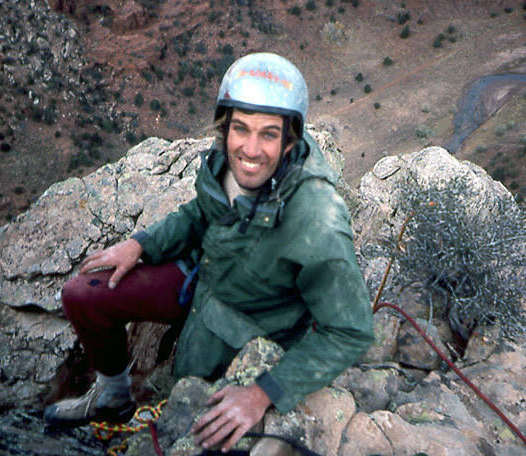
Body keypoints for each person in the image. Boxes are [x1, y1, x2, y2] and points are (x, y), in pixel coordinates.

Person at [44, 52, 374, 452]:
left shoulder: (317, 219)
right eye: (241, 129)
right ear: (225, 128)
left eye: (268, 134)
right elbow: (202, 210)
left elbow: (351, 331)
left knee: (190, 422)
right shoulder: (223, 162)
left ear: (290, 140)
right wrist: (141, 245)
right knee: (85, 294)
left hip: (250, 320)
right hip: (205, 280)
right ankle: (113, 396)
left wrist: (261, 393)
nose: (251, 150)